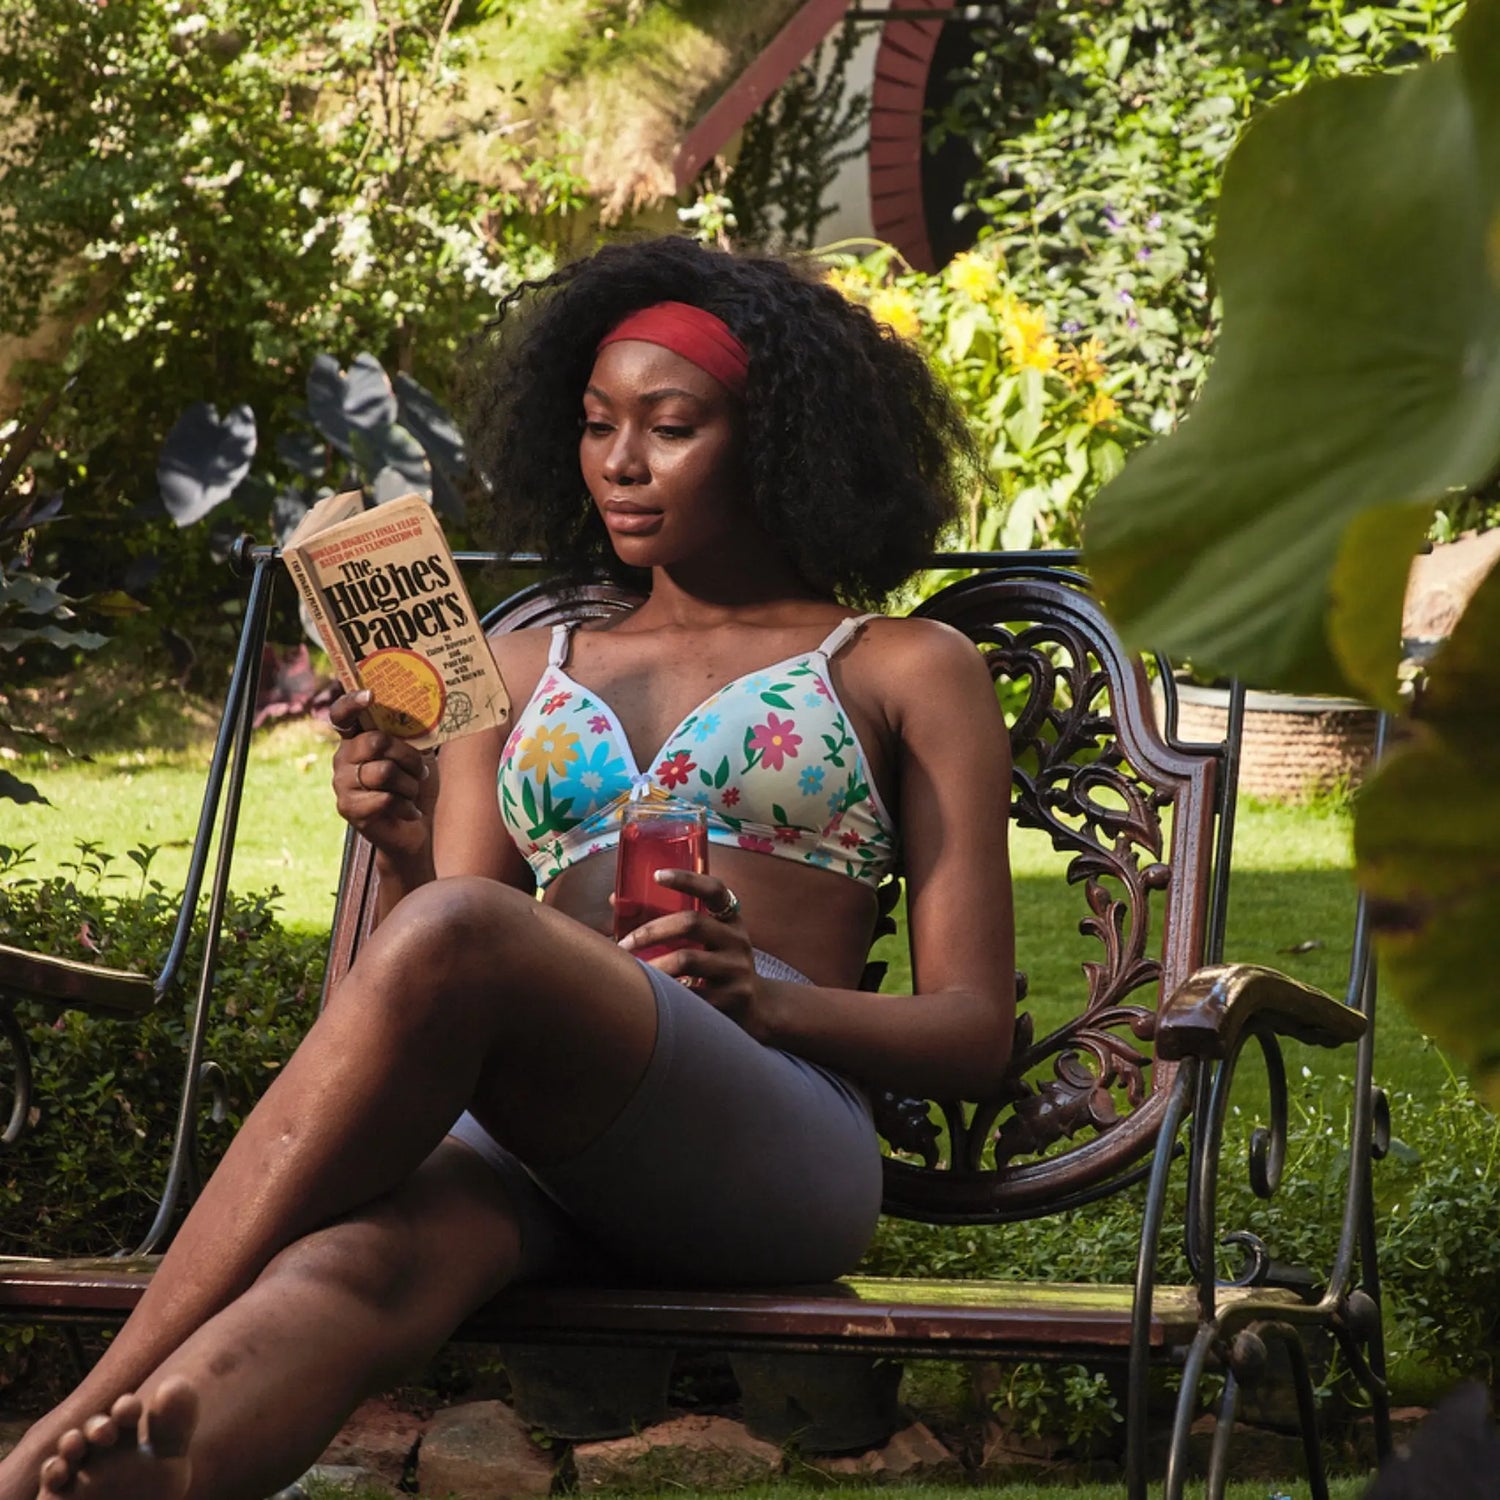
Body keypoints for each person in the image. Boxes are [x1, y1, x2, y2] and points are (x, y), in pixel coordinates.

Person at [5, 235, 1016, 1500]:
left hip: (769, 1135)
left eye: (671, 427)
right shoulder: (523, 657)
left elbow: (977, 1032)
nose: (621, 464)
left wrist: (770, 1001)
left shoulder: (903, 667)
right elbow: (430, 937)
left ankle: (81, 1400)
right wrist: (394, 842)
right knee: (357, 1270)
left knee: (473, 933)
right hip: (539, 1141)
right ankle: (126, 1465)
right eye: (597, 427)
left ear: (776, 441)